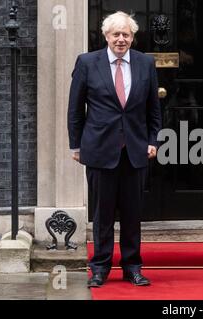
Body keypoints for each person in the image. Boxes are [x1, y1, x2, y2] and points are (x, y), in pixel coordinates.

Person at [68, 11, 162, 288]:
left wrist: (153, 141)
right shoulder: (87, 63)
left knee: (133, 214)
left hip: (135, 150)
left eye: (126, 34)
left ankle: (132, 267)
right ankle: (100, 268)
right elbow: (75, 108)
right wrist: (76, 145)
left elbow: (153, 110)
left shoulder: (145, 63)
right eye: (116, 34)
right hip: (99, 150)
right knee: (103, 214)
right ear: (106, 36)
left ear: (133, 37)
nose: (121, 39)